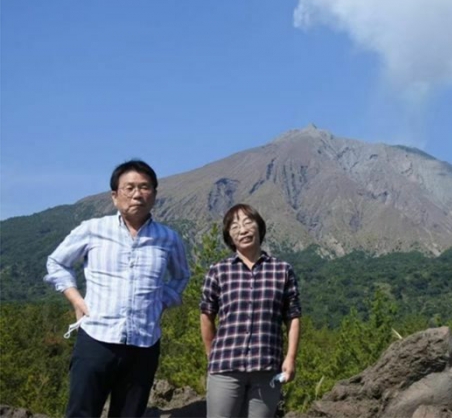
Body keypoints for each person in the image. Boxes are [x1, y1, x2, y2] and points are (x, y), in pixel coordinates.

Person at [44, 159, 191, 418]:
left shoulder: (168, 238)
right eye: (129, 187)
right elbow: (56, 262)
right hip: (96, 339)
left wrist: (162, 301)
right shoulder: (93, 229)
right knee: (81, 412)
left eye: (145, 187)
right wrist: (77, 300)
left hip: (144, 344)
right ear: (115, 196)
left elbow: (181, 276)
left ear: (154, 194)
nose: (137, 194)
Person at [200, 204, 301, 418]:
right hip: (225, 366)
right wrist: (212, 355)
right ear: (229, 236)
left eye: (248, 222)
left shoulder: (282, 270)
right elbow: (207, 315)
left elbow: (292, 317)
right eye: (234, 226)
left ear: (259, 227)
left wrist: (291, 357)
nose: (242, 229)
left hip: (267, 366)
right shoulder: (218, 271)